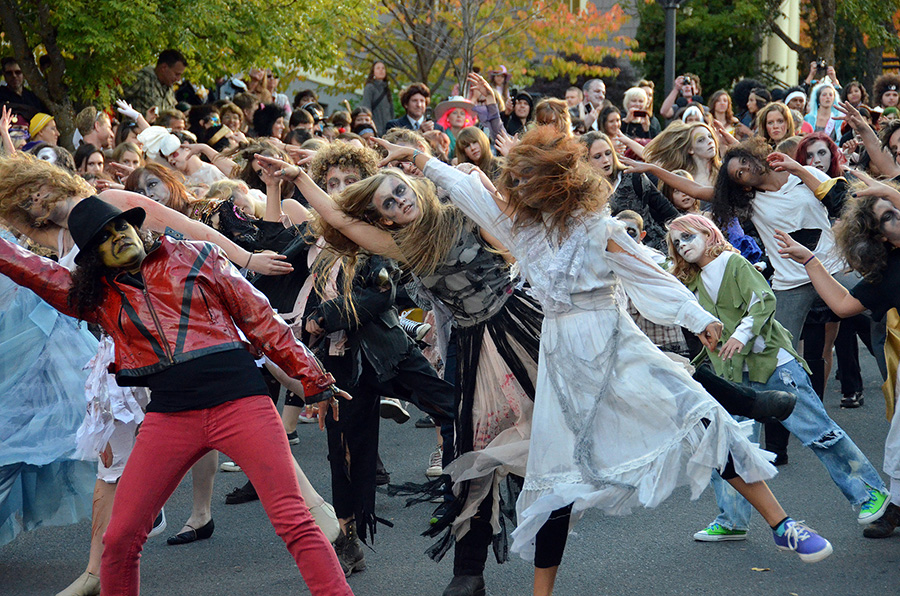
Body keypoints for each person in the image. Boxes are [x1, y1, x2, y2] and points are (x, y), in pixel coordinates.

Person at [372, 127, 833, 595]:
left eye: (529, 177)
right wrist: (418, 158)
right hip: (562, 363)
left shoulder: (599, 228)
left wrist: (699, 318)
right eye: (517, 178)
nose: (519, 187)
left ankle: (783, 524)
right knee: (558, 483)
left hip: (617, 346)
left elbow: (649, 275)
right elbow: (467, 188)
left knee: (702, 418)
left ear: (558, 179)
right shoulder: (523, 232)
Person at [0, 191, 353, 596]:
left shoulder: (198, 256)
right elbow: (28, 266)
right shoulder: (96, 296)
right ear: (94, 257)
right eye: (105, 238)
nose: (119, 236)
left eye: (121, 226)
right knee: (120, 538)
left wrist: (314, 380)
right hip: (170, 415)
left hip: (240, 403)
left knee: (293, 520)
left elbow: (262, 319)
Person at [255, 139, 542, 596]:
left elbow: (504, 223)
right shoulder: (401, 245)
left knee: (550, 426)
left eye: (399, 190)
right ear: (385, 219)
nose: (399, 201)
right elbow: (340, 219)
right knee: (473, 452)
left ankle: (553, 503)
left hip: (519, 327)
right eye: (388, 203)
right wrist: (299, 177)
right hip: (473, 346)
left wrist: (419, 155)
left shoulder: (461, 210)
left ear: (413, 184)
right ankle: (468, 572)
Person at [666, 214, 890, 543]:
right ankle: (732, 519)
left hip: (774, 365)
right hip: (732, 373)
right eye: (676, 242)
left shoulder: (734, 263)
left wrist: (740, 335)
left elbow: (764, 300)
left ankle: (871, 492)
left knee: (818, 432)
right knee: (728, 444)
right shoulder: (692, 280)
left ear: (709, 234)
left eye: (688, 236)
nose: (683, 245)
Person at [775, 177, 900, 539]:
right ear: (880, 238)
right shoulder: (890, 271)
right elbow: (843, 305)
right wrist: (810, 260)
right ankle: (896, 506)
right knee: (898, 443)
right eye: (888, 217)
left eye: (896, 210)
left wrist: (884, 192)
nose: (897, 216)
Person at [122, 50, 188, 118]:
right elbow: (116, 98)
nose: (178, 79)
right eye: (176, 74)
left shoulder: (168, 87)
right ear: (164, 68)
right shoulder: (141, 79)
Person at [360, 61, 394, 135]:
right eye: (378, 68)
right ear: (373, 71)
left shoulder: (387, 89)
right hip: (375, 129)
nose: (381, 70)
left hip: (388, 130)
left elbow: (391, 111)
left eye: (383, 68)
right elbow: (366, 107)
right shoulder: (370, 87)